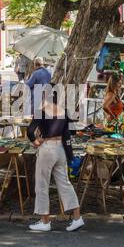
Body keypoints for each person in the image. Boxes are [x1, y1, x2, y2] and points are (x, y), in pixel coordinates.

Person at [27, 90, 84, 232]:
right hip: (61, 150)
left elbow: (30, 130)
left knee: (41, 184)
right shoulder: (63, 111)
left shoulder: (42, 110)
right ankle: (77, 218)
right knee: (65, 184)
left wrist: (35, 141)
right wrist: (69, 155)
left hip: (47, 148)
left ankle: (45, 221)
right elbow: (69, 134)